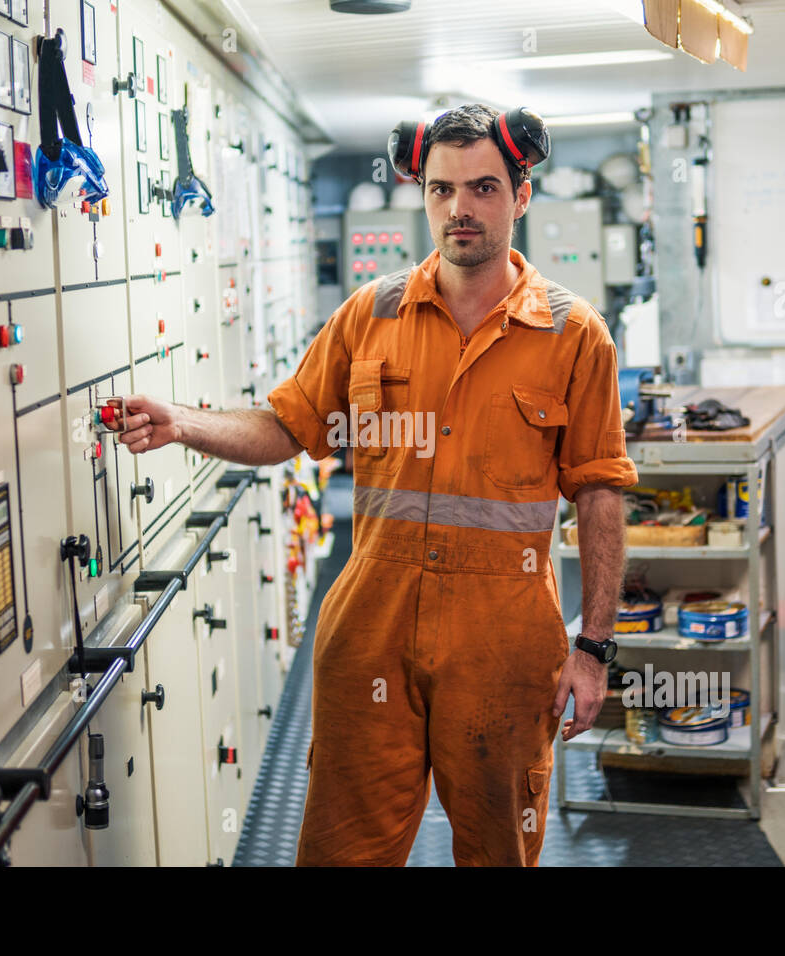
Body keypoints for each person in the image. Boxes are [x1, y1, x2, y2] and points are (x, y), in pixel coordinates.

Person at [117, 103, 638, 866]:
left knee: (499, 849)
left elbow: (599, 494)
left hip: (502, 639)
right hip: (371, 628)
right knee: (342, 850)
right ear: (422, 194)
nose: (460, 208)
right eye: (441, 189)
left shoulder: (573, 333)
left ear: (522, 196)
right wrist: (183, 422)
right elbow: (288, 425)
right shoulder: (371, 314)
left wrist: (592, 649)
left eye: (484, 188)